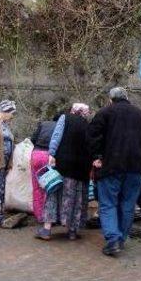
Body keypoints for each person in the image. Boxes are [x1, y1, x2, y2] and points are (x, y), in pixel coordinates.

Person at [89, 87, 141, 257]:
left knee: (108, 203)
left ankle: (113, 240)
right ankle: (121, 239)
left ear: (110, 99)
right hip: (135, 168)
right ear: (127, 98)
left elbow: (92, 136)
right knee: (128, 204)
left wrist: (96, 157)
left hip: (110, 166)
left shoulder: (104, 113)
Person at [36, 103, 92, 241]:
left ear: (73, 110)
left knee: (54, 194)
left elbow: (57, 136)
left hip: (63, 164)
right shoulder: (89, 125)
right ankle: (72, 231)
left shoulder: (65, 118)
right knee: (77, 198)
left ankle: (46, 230)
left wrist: (52, 154)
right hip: (81, 168)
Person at [30, 116, 57, 222]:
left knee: (37, 187)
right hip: (49, 156)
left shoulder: (43, 123)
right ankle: (49, 217)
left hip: (36, 154)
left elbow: (33, 139)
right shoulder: (60, 126)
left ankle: (39, 216)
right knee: (50, 186)